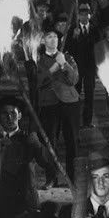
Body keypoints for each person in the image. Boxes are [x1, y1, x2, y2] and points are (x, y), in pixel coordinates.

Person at [35, 29, 81, 172]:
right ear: (43, 41)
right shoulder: (38, 60)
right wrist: (53, 68)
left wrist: (64, 64)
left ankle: (72, 176)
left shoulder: (67, 57)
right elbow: (38, 81)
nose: (53, 39)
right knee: (49, 142)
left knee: (72, 141)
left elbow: (74, 80)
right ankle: (52, 176)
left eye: (55, 36)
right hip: (49, 103)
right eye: (49, 36)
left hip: (69, 102)